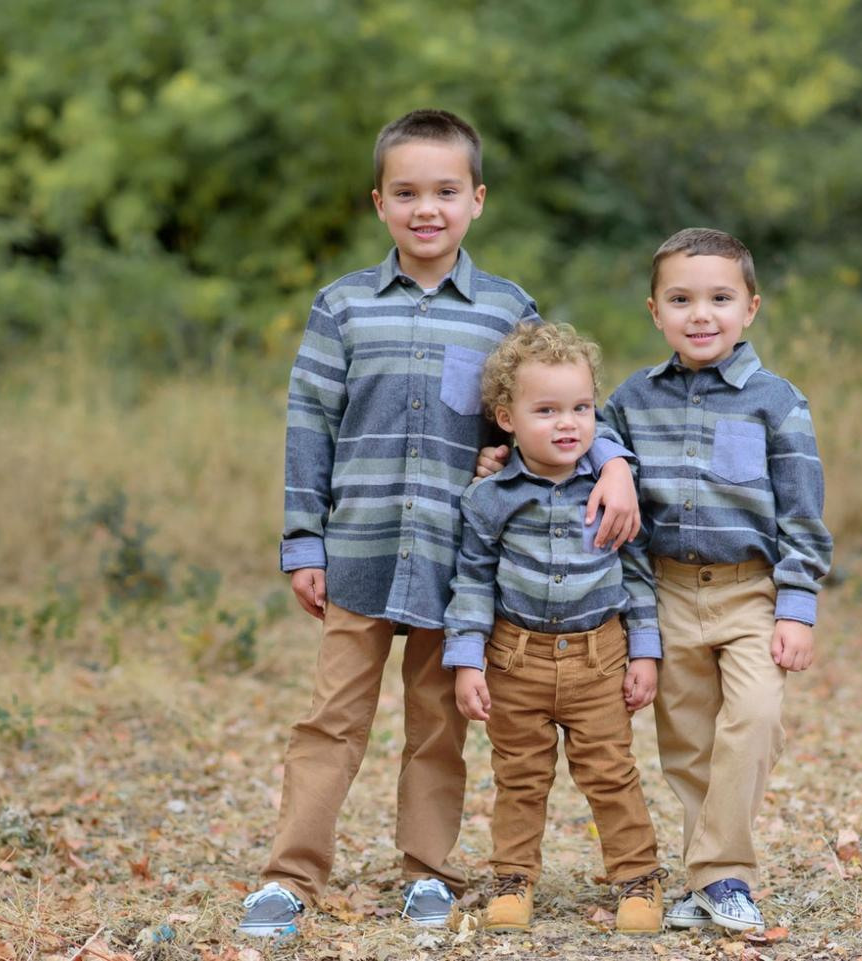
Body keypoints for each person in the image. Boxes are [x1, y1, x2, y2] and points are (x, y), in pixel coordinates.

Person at [236, 109, 640, 939]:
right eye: (408, 192)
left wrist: (619, 460)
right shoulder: (342, 306)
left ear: (477, 199)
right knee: (331, 720)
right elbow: (308, 425)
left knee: (439, 723)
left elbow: (560, 403)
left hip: (459, 563)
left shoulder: (505, 309)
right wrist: (303, 539)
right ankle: (289, 876)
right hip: (360, 549)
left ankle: (428, 871)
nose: (428, 208)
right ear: (379, 201)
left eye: (446, 191)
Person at [601, 227, 834, 932]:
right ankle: (717, 882)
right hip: (667, 589)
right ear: (655, 311)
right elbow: (596, 449)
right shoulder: (632, 400)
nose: (701, 314)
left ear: (751, 307)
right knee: (687, 740)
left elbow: (803, 510)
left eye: (719, 298)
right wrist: (611, 459)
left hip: (750, 591)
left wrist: (797, 606)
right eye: (681, 299)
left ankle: (722, 870)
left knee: (756, 716)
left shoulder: (777, 401)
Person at [444, 322, 667, 935]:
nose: (567, 423)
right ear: (507, 418)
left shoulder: (612, 490)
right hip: (517, 659)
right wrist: (467, 661)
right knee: (519, 774)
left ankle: (637, 880)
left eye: (580, 408)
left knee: (611, 772)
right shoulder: (490, 498)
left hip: (601, 656)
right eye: (546, 410)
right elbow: (472, 582)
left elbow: (638, 576)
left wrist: (644, 654)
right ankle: (513, 879)